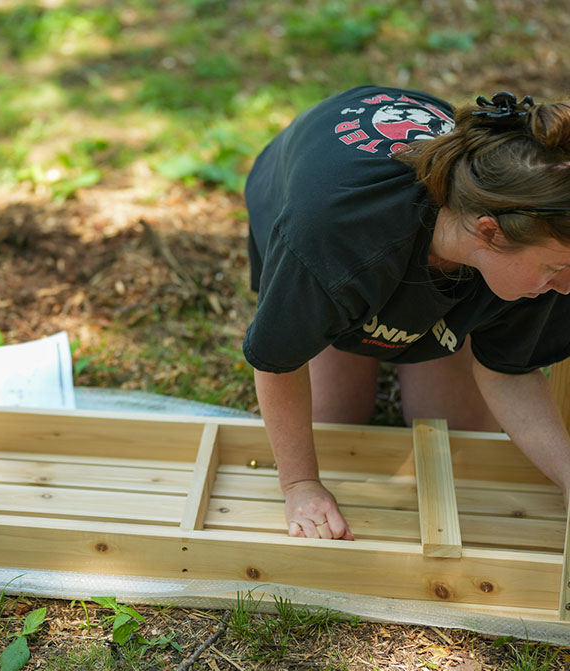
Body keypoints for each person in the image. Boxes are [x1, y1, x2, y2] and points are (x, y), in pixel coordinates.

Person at [243, 86, 570, 541]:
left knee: (460, 437)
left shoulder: (546, 243)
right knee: (336, 424)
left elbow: (510, 372)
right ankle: (343, 325)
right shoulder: (332, 237)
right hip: (309, 200)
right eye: (558, 269)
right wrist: (300, 484)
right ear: (490, 233)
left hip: (427, 252)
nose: (566, 285)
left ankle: (404, 324)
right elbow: (279, 362)